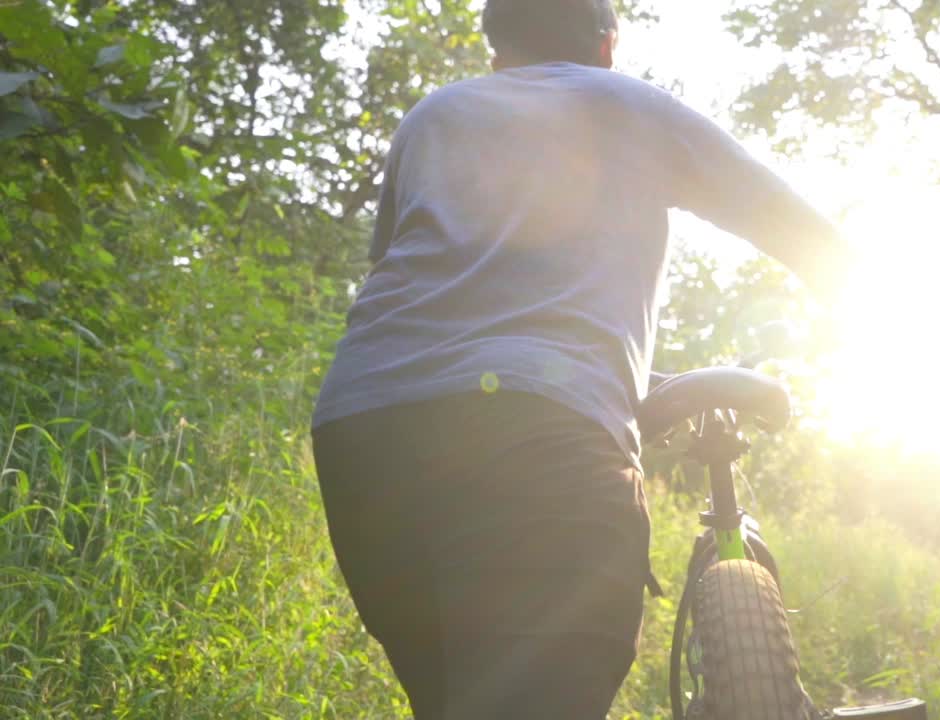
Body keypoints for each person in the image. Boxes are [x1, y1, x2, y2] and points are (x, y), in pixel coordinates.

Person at [309, 0, 846, 717]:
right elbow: (792, 224)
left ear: (497, 54)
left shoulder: (431, 117)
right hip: (536, 429)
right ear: (607, 45)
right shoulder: (629, 103)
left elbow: (427, 293)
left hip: (366, 428)